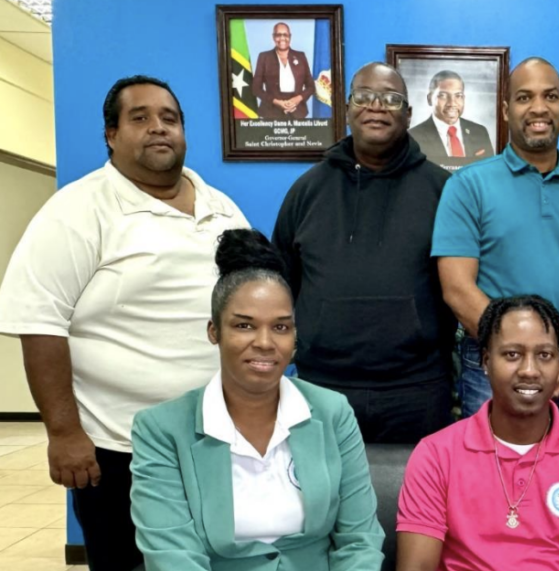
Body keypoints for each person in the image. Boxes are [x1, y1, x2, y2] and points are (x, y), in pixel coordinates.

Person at [0, 75, 249, 571]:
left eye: (169, 118)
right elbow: (39, 322)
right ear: (111, 135)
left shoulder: (220, 207)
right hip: (118, 448)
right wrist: (63, 433)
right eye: (140, 118)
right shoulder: (77, 209)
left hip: (216, 440)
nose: (158, 127)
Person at [130, 228, 385, 571]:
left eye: (280, 327)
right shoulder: (162, 429)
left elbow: (360, 538)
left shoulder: (332, 412)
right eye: (244, 326)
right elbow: (173, 556)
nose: (265, 342)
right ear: (214, 332)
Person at [272, 62, 455, 443]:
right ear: (347, 109)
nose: (376, 106)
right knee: (318, 483)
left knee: (419, 484)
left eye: (390, 99)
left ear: (408, 114)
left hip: (418, 389)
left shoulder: (444, 191)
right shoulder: (306, 191)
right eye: (364, 96)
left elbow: (462, 285)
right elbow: (280, 286)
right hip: (321, 386)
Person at [396, 295, 559, 571]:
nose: (529, 370)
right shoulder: (436, 454)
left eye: (545, 355)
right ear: (486, 361)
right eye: (512, 354)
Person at [432, 57, 559, 424]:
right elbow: (457, 289)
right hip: (491, 365)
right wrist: (525, 358)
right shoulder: (467, 186)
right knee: (491, 461)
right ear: (506, 110)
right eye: (524, 97)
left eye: (550, 96)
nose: (538, 108)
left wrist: (558, 355)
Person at [409, 70, 495, 165]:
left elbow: (489, 170)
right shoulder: (413, 137)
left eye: (458, 96)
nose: (452, 103)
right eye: (443, 96)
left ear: (464, 98)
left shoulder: (480, 132)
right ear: (429, 99)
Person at [252, 22, 316, 119]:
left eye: (285, 35)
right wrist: (275, 102)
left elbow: (311, 87)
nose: (282, 38)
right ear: (273, 37)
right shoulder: (264, 57)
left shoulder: (301, 56)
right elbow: (256, 88)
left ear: (290, 36)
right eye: (278, 35)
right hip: (271, 112)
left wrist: (297, 99)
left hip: (297, 111)